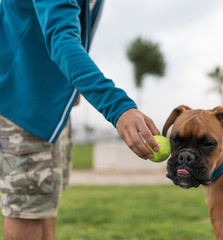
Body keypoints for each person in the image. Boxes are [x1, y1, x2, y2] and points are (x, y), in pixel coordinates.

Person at [0, 0, 160, 239]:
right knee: (26, 208)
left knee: (44, 205)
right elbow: (62, 39)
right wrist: (119, 107)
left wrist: (70, 88)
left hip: (53, 108)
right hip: (21, 103)